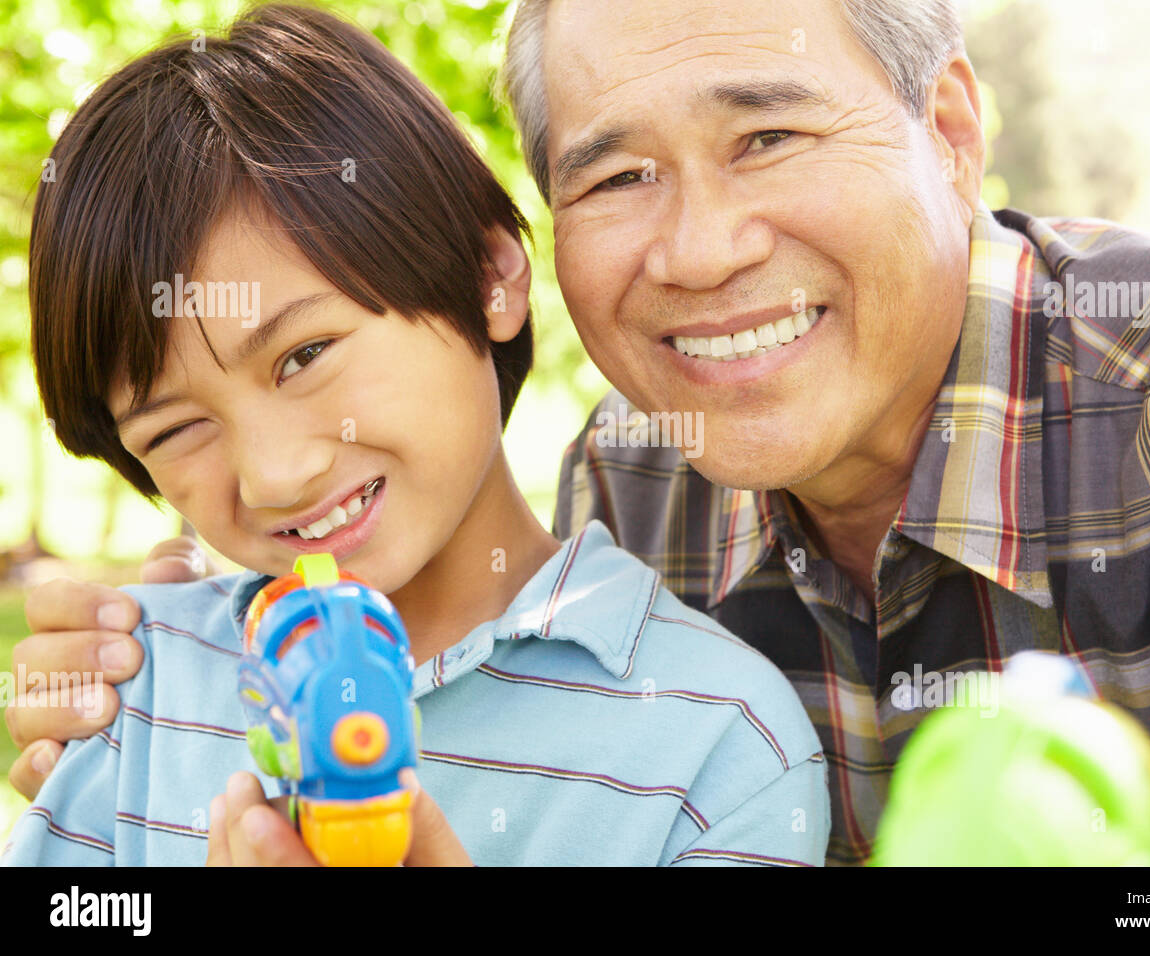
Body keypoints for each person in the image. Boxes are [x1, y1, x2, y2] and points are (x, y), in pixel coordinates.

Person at [13, 0, 1150, 867]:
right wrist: (160, 650)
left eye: (769, 134)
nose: (698, 251)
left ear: (952, 134)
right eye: (618, 174)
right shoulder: (629, 487)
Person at [0, 3, 829, 867]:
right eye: (176, 429)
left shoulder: (719, 748)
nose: (275, 474)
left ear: (489, 275)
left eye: (305, 354)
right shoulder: (132, 692)